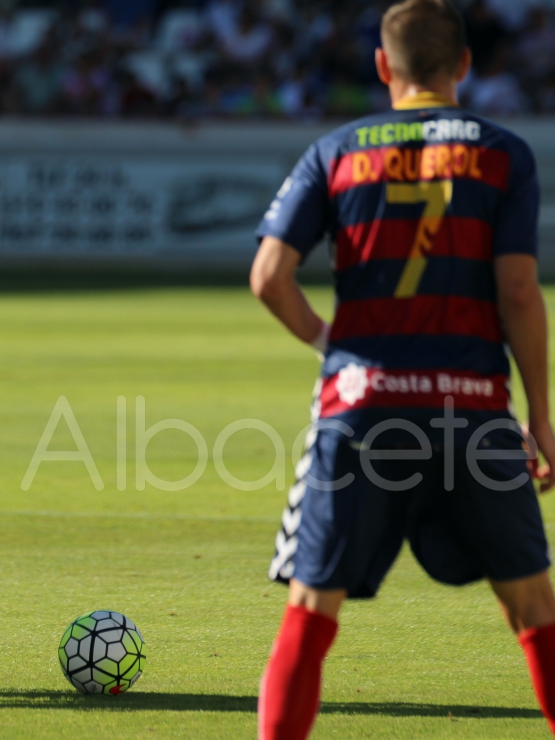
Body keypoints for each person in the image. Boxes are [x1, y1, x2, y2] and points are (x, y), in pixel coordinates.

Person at [251, 1, 555, 737]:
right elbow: (518, 291)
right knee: (535, 612)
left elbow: (268, 276)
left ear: (384, 67)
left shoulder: (336, 150)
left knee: (310, 609)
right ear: (466, 66)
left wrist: (334, 345)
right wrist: (540, 419)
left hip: (362, 405)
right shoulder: (504, 153)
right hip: (474, 412)